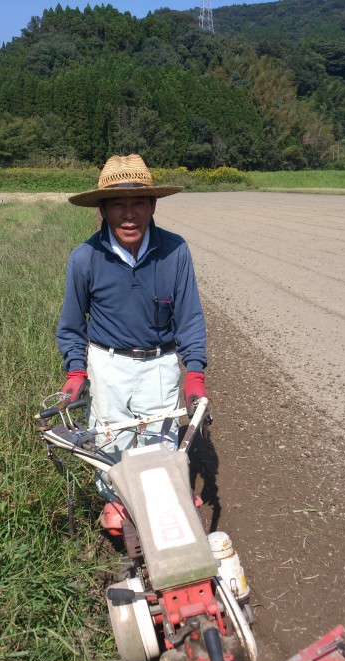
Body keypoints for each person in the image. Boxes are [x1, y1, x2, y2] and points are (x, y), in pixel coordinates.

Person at [57, 153, 207, 531]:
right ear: (103, 209)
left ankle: (165, 519)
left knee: (161, 454)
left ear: (152, 205)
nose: (129, 214)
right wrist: (76, 372)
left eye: (138, 202)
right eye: (118, 204)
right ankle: (123, 520)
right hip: (108, 367)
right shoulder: (85, 259)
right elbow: (73, 326)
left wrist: (195, 375)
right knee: (112, 456)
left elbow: (189, 318)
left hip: (160, 363)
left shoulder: (175, 252)